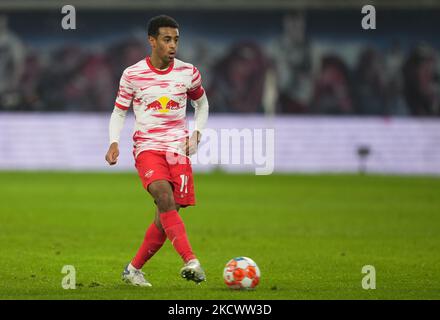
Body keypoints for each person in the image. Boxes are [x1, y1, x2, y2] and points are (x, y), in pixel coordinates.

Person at [105, 15, 209, 287]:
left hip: (178, 150)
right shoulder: (133, 74)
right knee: (163, 196)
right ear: (152, 41)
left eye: (175, 39)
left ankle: (133, 269)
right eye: (166, 39)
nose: (172, 45)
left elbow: (202, 105)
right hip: (148, 149)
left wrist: (197, 133)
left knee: (167, 214)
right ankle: (191, 260)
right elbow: (119, 111)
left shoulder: (189, 72)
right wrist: (114, 141)